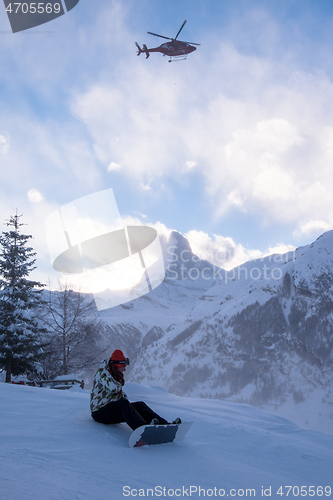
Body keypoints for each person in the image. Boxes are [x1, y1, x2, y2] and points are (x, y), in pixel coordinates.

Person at [90, 349, 181, 430]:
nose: (125, 369)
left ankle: (164, 425)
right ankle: (142, 428)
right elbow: (112, 387)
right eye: (123, 366)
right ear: (117, 365)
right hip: (99, 412)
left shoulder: (112, 372)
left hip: (110, 408)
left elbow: (115, 391)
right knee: (124, 404)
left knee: (140, 405)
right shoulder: (102, 372)